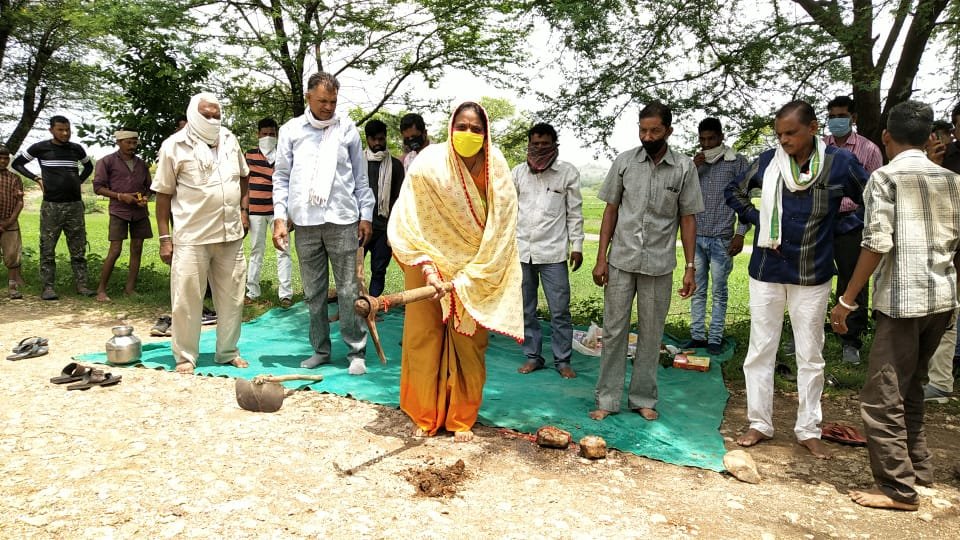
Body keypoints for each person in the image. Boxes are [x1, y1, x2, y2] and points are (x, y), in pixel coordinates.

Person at [830, 100, 960, 511]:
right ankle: (919, 471)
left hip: (903, 301)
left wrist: (847, 300)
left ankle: (897, 489)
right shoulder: (952, 180)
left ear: (886, 136)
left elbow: (876, 243)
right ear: (931, 138)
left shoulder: (884, 178)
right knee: (913, 388)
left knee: (882, 397)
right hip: (942, 298)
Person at [725, 100, 868, 459]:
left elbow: (871, 201)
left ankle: (808, 429)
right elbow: (734, 191)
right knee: (760, 350)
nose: (784, 140)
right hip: (767, 270)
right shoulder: (767, 162)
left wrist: (840, 228)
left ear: (813, 128)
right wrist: (758, 219)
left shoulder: (840, 165)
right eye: (779, 134)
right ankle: (759, 423)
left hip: (813, 272)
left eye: (790, 133)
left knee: (810, 353)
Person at [388, 100, 523, 442]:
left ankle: (461, 417)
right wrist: (430, 268)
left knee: (469, 344)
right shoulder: (428, 163)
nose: (467, 133)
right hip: (426, 263)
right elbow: (408, 218)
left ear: (486, 132)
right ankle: (425, 414)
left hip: (475, 269)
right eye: (461, 127)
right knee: (423, 337)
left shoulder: (498, 168)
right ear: (450, 128)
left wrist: (472, 274)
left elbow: (503, 228)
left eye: (475, 129)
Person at [590, 102, 703, 422]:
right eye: (643, 130)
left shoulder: (683, 168)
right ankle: (607, 399)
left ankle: (643, 398)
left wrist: (690, 267)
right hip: (621, 262)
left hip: (659, 265)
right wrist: (601, 259)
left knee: (652, 334)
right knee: (613, 331)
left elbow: (688, 218)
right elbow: (610, 211)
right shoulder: (625, 162)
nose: (648, 136)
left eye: (654, 130)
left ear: (668, 130)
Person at [272, 72, 374, 375]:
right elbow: (282, 177)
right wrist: (280, 217)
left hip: (342, 219)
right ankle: (320, 350)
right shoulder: (291, 130)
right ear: (308, 98)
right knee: (313, 292)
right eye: (322, 101)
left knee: (348, 290)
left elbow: (360, 177)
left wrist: (365, 214)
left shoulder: (347, 130)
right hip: (304, 222)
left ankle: (356, 352)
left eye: (332, 101)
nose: (328, 107)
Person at [152, 92, 250, 374]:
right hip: (192, 236)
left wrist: (243, 212)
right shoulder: (174, 146)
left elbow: (244, 176)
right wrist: (164, 238)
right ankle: (185, 356)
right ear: (193, 113)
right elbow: (162, 195)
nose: (212, 119)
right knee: (186, 300)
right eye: (206, 114)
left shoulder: (230, 140)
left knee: (232, 298)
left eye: (216, 114)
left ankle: (227, 352)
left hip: (230, 234)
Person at [513, 122, 584, 378]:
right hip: (522, 251)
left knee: (560, 310)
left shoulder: (567, 173)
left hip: (553, 253)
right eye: (535, 144)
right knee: (526, 308)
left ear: (555, 144)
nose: (540, 148)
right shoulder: (518, 173)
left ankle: (562, 360)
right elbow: (509, 211)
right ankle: (533, 356)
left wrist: (577, 246)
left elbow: (574, 213)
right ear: (529, 145)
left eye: (545, 144)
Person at [823, 96, 883, 365]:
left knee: (852, 278)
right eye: (832, 115)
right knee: (811, 276)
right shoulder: (819, 147)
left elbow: (875, 194)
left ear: (853, 118)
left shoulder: (869, 149)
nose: (836, 120)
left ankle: (851, 339)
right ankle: (809, 332)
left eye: (842, 115)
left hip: (853, 221)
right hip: (821, 220)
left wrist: (858, 219)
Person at [685, 117, 750, 356]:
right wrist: (693, 167)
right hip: (697, 236)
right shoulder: (696, 164)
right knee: (697, 287)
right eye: (702, 139)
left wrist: (740, 234)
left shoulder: (736, 162)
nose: (707, 144)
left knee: (719, 290)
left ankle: (715, 337)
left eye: (711, 139)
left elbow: (744, 200)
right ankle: (697, 336)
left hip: (722, 237)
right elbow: (683, 196)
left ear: (721, 137)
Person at [11, 115, 94, 299]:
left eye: (67, 130)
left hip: (75, 206)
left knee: (78, 249)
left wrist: (77, 181)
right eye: (60, 130)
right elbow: (17, 163)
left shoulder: (76, 149)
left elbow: (89, 167)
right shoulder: (41, 148)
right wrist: (37, 178)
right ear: (51, 130)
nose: (65, 133)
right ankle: (48, 288)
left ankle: (82, 286)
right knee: (47, 249)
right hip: (51, 206)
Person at [924, 104, 960, 403]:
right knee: (946, 312)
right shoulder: (946, 159)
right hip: (948, 248)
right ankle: (939, 381)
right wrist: (934, 165)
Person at [92, 129, 153, 302]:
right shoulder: (106, 162)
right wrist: (120, 196)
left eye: (135, 142)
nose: (132, 146)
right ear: (119, 142)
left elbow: (149, 187)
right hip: (119, 211)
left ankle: (130, 288)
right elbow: (98, 187)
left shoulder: (142, 164)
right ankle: (101, 290)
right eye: (128, 142)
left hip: (139, 212)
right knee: (115, 250)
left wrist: (145, 198)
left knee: (137, 248)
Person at [244, 117, 294, 308]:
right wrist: (244, 211)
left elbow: (289, 184)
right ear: (258, 134)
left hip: (278, 212)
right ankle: (252, 291)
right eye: (264, 134)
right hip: (255, 211)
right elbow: (244, 186)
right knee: (256, 250)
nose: (268, 137)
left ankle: (285, 294)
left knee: (284, 251)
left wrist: (290, 213)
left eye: (272, 134)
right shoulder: (249, 156)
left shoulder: (284, 156)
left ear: (277, 135)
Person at [362, 119, 404, 297]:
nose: (378, 143)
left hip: (383, 227)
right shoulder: (356, 163)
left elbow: (398, 198)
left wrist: (391, 229)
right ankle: (352, 305)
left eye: (381, 139)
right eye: (374, 139)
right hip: (360, 226)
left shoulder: (395, 165)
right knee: (352, 271)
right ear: (367, 139)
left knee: (379, 269)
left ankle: (372, 306)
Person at [0, 146, 25, 299]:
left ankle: (13, 288)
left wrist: (9, 221)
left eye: (6, 158)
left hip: (10, 223)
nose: (3, 161)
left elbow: (20, 202)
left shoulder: (15, 178)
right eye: (0, 158)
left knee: (12, 255)